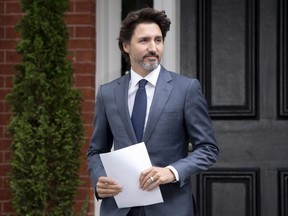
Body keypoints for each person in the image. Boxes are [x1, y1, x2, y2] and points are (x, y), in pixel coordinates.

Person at [87, 7, 219, 216]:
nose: (153, 48)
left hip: (170, 207)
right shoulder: (107, 93)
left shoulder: (186, 89)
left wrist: (171, 172)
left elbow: (208, 149)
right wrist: (99, 180)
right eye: (144, 40)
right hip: (120, 208)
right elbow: (96, 151)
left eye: (158, 40)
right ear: (126, 46)